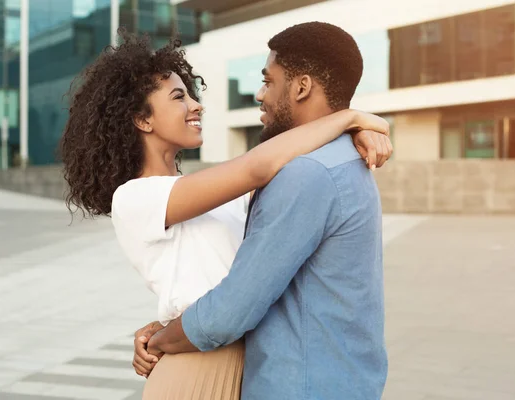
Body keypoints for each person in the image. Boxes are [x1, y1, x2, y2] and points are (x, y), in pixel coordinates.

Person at [59, 28, 391, 400]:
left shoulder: (215, 194)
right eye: (178, 97)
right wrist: (348, 120)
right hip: (195, 367)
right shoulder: (135, 198)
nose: (196, 105)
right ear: (143, 119)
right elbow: (257, 167)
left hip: (231, 360)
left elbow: (277, 174)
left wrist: (352, 135)